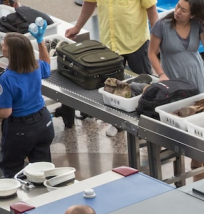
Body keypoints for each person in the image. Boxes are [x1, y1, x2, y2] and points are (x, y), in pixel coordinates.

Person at [60, 0, 158, 129]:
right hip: (110, 45)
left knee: (146, 86)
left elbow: (151, 9)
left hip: (136, 42)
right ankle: (117, 124)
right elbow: (89, 3)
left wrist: (158, 40)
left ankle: (149, 125)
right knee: (112, 86)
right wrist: (77, 27)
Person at [0, 30, 54, 178]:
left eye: (4, 45)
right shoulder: (35, 66)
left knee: (12, 170)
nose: (2, 46)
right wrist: (40, 41)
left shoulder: (7, 79)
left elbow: (5, 112)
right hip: (44, 123)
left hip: (20, 130)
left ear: (12, 53)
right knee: (43, 170)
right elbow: (47, 65)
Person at [149, 0, 204, 93]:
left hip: (197, 74)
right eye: (177, 6)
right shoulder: (162, 25)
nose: (178, 11)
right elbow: (152, 53)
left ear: (192, 15)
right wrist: (161, 74)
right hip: (173, 75)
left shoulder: (197, 24)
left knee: (202, 104)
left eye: (183, 10)